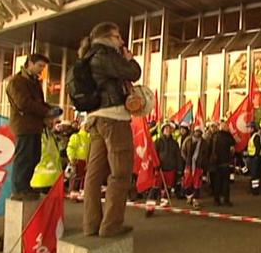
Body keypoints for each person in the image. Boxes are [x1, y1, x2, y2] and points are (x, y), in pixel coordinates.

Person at [80, 21, 142, 238]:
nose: (122, 41)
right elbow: (134, 72)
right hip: (114, 119)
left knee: (93, 176)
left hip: (95, 119)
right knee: (121, 173)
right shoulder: (105, 55)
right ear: (107, 37)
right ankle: (111, 225)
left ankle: (91, 225)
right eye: (118, 37)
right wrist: (128, 58)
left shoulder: (87, 57)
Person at [6, 53, 62, 201]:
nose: (41, 70)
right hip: (24, 126)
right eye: (40, 66)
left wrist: (49, 109)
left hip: (35, 126)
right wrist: (46, 111)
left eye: (43, 67)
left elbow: (37, 103)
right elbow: (24, 103)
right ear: (29, 63)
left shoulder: (34, 82)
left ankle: (25, 187)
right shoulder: (17, 82)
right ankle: (19, 189)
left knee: (34, 157)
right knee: (24, 157)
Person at [145, 121, 179, 215]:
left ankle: (164, 204)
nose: (168, 130)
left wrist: (179, 169)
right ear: (163, 130)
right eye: (166, 129)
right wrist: (156, 165)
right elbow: (154, 154)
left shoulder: (174, 143)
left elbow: (177, 156)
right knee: (155, 188)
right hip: (159, 169)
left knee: (167, 188)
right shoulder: (158, 141)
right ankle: (150, 208)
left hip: (170, 169)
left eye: (169, 129)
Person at [181, 126, 210, 209]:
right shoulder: (188, 140)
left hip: (199, 166)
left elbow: (206, 154)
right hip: (188, 165)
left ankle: (195, 200)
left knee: (197, 183)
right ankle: (189, 196)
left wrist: (203, 165)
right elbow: (183, 151)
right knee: (187, 181)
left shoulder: (204, 143)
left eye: (199, 132)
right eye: (196, 131)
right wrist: (187, 159)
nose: (198, 133)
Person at [209, 120, 236, 206]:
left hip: (218, 163)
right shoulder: (228, 136)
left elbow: (209, 149)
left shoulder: (214, 136)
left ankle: (217, 200)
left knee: (218, 183)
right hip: (224, 163)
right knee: (225, 183)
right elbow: (233, 148)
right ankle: (225, 200)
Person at [67, 121, 91, 202]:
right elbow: (71, 148)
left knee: (84, 179)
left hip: (87, 160)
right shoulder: (76, 136)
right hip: (77, 160)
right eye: (85, 125)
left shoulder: (90, 137)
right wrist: (72, 157)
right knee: (76, 178)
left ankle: (81, 194)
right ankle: (73, 194)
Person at [246, 122, 261, 195]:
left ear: (252, 128)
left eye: (249, 128)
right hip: (253, 157)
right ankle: (253, 189)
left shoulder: (256, 136)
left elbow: (258, 147)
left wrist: (256, 156)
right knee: (253, 175)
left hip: (256, 158)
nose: (248, 129)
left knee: (255, 175)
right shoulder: (253, 135)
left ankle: (255, 190)